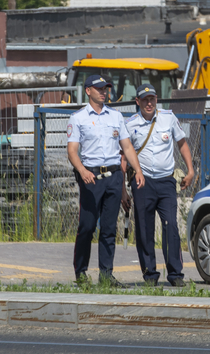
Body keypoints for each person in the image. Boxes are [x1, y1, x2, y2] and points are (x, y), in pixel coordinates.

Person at [67, 74, 145, 287]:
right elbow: (72, 150)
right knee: (87, 226)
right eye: (99, 88)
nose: (104, 92)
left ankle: (106, 275)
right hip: (91, 177)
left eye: (106, 88)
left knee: (109, 228)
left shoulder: (115, 116)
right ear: (88, 91)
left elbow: (127, 146)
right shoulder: (79, 118)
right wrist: (82, 170)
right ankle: (81, 273)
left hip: (113, 177)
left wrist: (137, 170)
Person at [124, 84, 195, 287]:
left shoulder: (168, 117)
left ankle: (175, 275)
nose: (149, 103)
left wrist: (191, 170)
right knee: (144, 229)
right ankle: (150, 276)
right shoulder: (130, 124)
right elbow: (123, 158)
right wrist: (123, 190)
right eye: (144, 99)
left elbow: (182, 143)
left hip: (165, 181)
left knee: (171, 226)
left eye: (152, 99)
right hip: (142, 181)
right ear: (137, 101)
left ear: (157, 100)